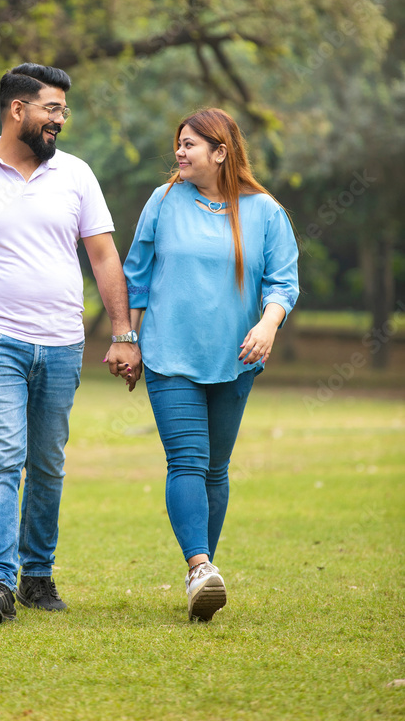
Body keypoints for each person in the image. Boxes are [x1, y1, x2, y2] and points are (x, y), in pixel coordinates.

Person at [0, 63, 142, 624]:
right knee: (3, 457)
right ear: (17, 109)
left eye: (64, 111)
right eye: (52, 109)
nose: (60, 121)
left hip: (63, 342)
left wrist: (123, 334)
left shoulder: (76, 176)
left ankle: (37, 575)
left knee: (47, 462)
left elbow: (103, 257)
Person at [122, 107, 298, 622]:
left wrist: (267, 326)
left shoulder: (265, 211)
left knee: (215, 471)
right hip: (169, 354)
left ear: (221, 152)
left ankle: (205, 576)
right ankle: (199, 566)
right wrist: (129, 340)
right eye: (178, 143)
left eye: (190, 145)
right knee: (188, 462)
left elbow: (282, 282)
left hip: (236, 358)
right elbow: (137, 273)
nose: (179, 152)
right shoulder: (164, 200)